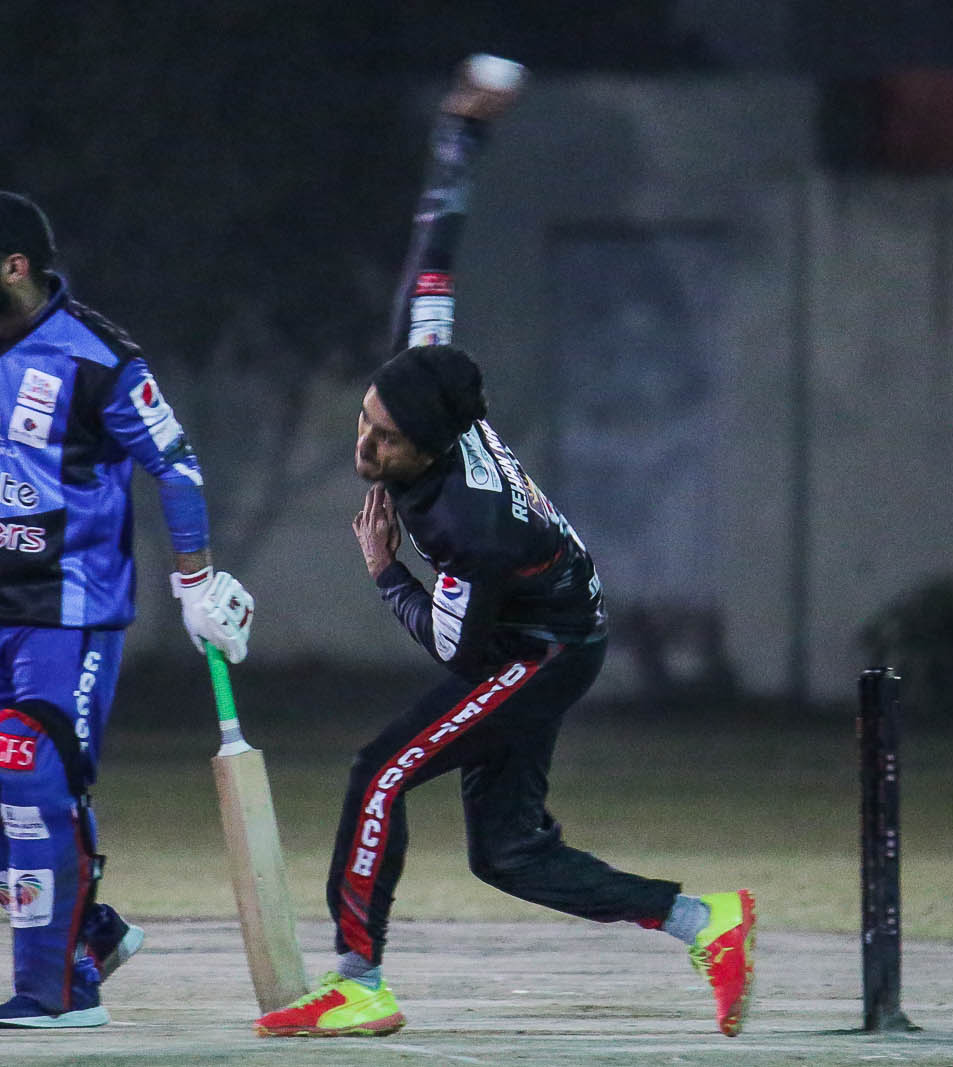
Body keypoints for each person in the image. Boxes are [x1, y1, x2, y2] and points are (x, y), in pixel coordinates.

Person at [252, 57, 755, 1040]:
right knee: (508, 852)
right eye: (366, 420)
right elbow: (434, 256)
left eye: (387, 441)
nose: (366, 447)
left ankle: (359, 980)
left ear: (434, 446)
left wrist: (386, 573)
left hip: (541, 645)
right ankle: (708, 922)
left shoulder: (465, 523)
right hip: (550, 620)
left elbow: (459, 649)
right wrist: (462, 136)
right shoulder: (424, 373)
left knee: (380, 770)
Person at [0, 190, 255, 1029]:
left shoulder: (98, 357)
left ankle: (59, 990)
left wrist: (195, 580)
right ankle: (89, 932)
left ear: (15, 266)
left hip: (70, 618)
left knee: (36, 783)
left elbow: (176, 465)